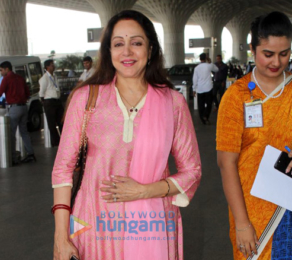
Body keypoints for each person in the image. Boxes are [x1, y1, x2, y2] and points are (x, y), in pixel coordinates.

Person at [52, 10, 201, 260]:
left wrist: (145, 191)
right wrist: (60, 237)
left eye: (136, 43)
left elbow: (192, 171)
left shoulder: (172, 103)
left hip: (152, 226)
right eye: (119, 44)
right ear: (109, 52)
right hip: (93, 225)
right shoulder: (86, 99)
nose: (127, 52)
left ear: (150, 49)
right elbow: (62, 170)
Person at [217, 11, 292, 259]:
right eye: (268, 54)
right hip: (251, 210)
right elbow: (226, 163)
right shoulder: (237, 96)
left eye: (285, 53)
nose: (276, 62)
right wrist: (242, 223)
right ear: (253, 49)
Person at [0, 61, 36, 164]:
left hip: (14, 108)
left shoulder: (6, 79)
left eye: (1, 70)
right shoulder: (20, 78)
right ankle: (31, 154)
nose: (1, 72)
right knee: (24, 132)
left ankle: (13, 158)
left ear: (6, 69)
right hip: (23, 107)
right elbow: (28, 93)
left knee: (11, 134)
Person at [39, 59, 64, 147]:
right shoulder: (44, 78)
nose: (53, 66)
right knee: (52, 123)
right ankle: (56, 142)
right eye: (51, 65)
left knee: (61, 121)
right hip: (49, 101)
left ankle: (64, 139)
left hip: (57, 101)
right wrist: (44, 101)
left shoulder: (55, 76)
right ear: (47, 67)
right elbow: (41, 92)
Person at [192, 53, 219, 124]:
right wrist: (210, 62)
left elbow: (195, 79)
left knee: (201, 105)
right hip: (208, 88)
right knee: (209, 104)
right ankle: (206, 115)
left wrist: (194, 89)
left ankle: (203, 119)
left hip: (200, 89)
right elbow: (217, 69)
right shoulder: (209, 66)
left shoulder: (196, 68)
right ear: (206, 58)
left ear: (200, 59)